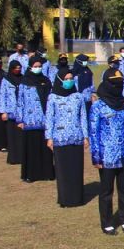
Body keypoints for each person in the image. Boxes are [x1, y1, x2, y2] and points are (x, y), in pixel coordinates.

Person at [89, 68, 124, 234]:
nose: (117, 87)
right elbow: (93, 132)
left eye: (120, 84)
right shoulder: (98, 106)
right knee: (106, 191)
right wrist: (96, 156)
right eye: (114, 84)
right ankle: (107, 222)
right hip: (106, 156)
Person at [45, 67, 89, 208]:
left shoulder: (78, 97)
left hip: (76, 137)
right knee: (63, 170)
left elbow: (83, 117)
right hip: (59, 138)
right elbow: (49, 118)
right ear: (59, 80)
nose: (69, 81)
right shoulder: (53, 97)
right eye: (66, 79)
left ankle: (77, 198)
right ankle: (65, 199)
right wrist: (49, 137)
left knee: (76, 169)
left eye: (71, 79)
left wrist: (86, 136)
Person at [17, 56, 55, 183]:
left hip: (45, 120)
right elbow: (20, 101)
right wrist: (20, 120)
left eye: (40, 66)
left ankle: (47, 172)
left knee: (45, 148)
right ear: (30, 67)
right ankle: (31, 174)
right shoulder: (24, 82)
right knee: (31, 148)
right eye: (36, 66)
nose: (38, 68)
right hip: (30, 120)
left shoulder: (46, 81)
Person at [1, 61, 24, 164]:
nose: (18, 69)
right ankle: (13, 158)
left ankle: (22, 157)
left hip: (21, 113)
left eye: (19, 68)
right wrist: (3, 112)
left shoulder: (23, 79)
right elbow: (2, 96)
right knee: (11, 136)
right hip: (10, 112)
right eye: (16, 68)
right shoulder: (6, 80)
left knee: (21, 137)